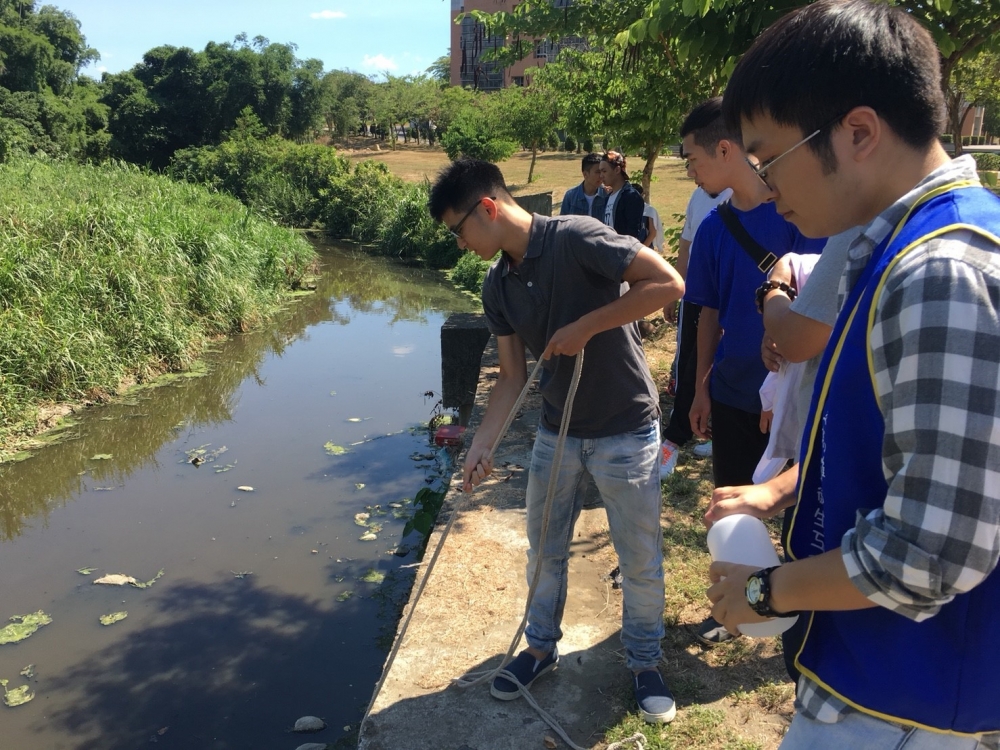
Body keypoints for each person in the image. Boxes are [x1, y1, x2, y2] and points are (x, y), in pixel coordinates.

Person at [706, 2, 1000, 747]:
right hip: (880, 680)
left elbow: (929, 552)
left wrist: (765, 591)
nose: (765, 185)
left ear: (859, 132)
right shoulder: (899, 251)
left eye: (767, 157)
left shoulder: (939, 272)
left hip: (905, 699)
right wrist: (782, 491)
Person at [428, 158, 685, 723]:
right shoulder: (497, 284)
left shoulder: (578, 236)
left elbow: (668, 283)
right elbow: (512, 380)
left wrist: (588, 324)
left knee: (639, 557)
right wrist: (480, 444)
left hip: (625, 427)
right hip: (557, 433)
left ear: (488, 208)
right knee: (543, 550)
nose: (459, 243)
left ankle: (644, 663)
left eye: (458, 229)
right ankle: (540, 647)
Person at [679, 97, 825, 646]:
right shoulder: (716, 228)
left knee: (799, 503)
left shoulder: (799, 214)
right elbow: (706, 313)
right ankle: (736, 607)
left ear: (724, 149)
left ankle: (799, 603)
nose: (689, 171)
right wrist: (698, 388)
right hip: (735, 388)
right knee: (734, 503)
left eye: (692, 158)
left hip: (793, 396)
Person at [660, 184, 733, 472]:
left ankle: (677, 439)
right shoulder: (697, 196)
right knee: (688, 363)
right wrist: (675, 290)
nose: (691, 173)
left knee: (715, 365)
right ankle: (680, 436)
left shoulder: (739, 194)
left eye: (695, 162)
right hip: (695, 294)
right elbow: (686, 244)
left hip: (725, 296)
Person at [599, 151, 646, 240]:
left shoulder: (631, 196)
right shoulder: (607, 197)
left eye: (604, 171)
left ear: (617, 170)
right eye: (600, 172)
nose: (601, 176)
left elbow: (632, 234)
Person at [559, 152, 608, 220]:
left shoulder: (607, 195)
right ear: (585, 174)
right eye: (597, 172)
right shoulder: (571, 196)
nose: (601, 175)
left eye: (603, 171)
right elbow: (562, 224)